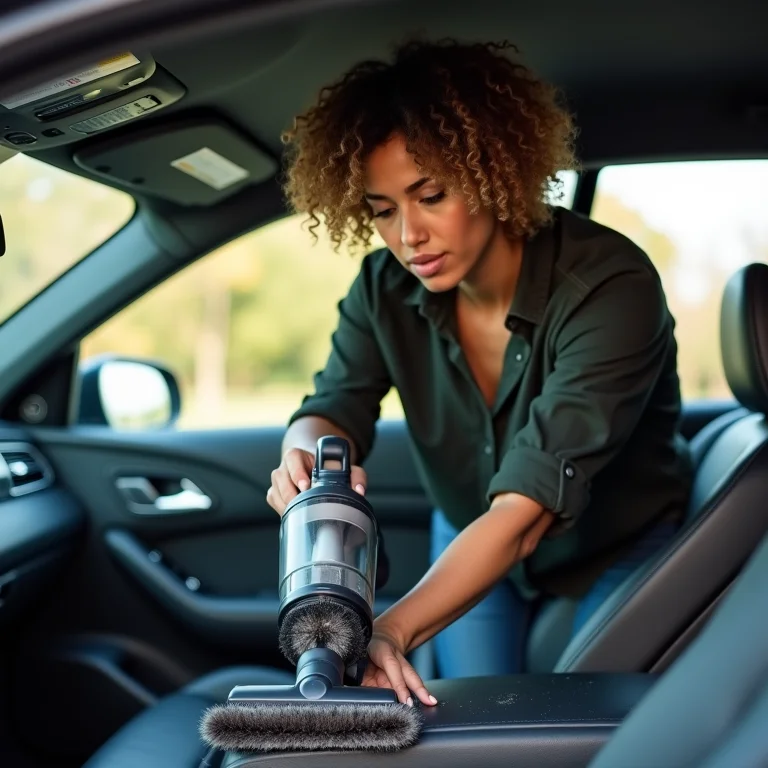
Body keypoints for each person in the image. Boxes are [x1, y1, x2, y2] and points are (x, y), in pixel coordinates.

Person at [266, 39, 692, 709]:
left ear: (497, 171)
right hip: (467, 526)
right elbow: (335, 405)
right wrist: (303, 456)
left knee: (571, 724)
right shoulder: (383, 288)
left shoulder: (610, 286)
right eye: (382, 209)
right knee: (462, 719)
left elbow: (524, 514)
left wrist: (395, 626)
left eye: (430, 194)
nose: (409, 236)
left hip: (616, 543)